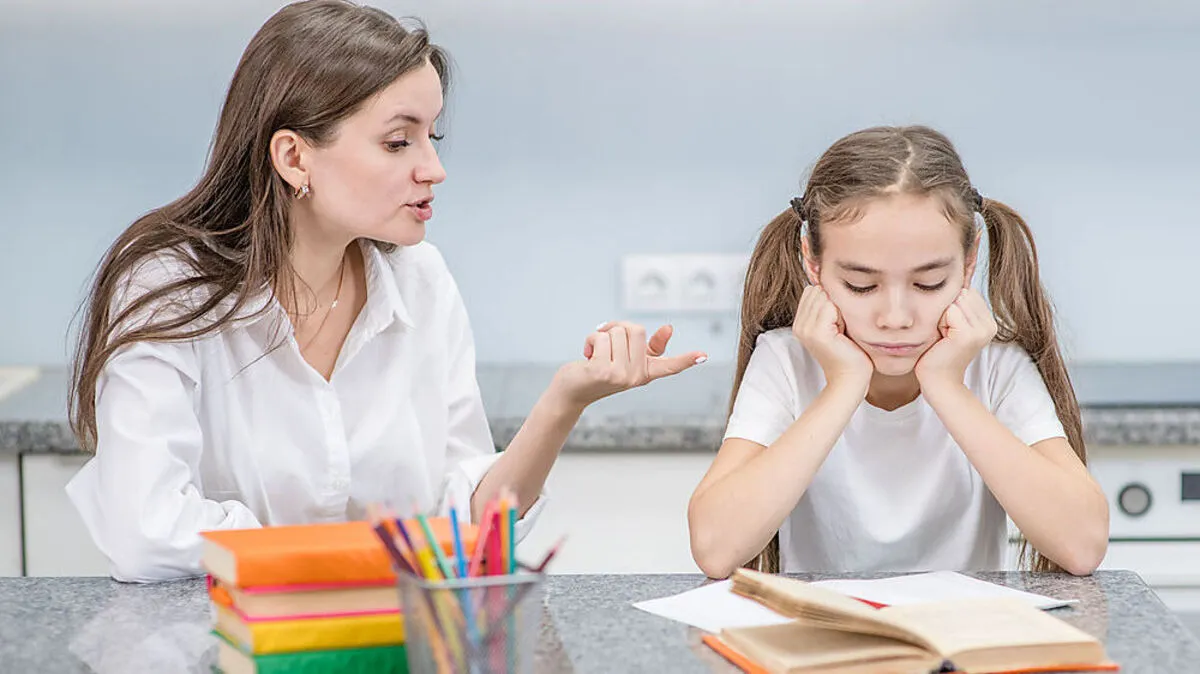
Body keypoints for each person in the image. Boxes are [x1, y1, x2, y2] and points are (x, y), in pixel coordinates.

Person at [65, 0, 706, 583]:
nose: (434, 168)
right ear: (294, 158)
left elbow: (470, 525)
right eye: (398, 141)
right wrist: (381, 555)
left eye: (432, 137)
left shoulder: (421, 281)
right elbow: (147, 534)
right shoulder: (168, 286)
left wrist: (565, 402)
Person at [687, 125, 1108, 578]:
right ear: (812, 261)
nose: (895, 316)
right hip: (821, 641)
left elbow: (1081, 546)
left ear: (969, 262)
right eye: (861, 285)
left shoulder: (996, 367)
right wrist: (844, 385)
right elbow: (716, 548)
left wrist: (945, 385)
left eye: (928, 283)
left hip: (958, 640)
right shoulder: (785, 361)